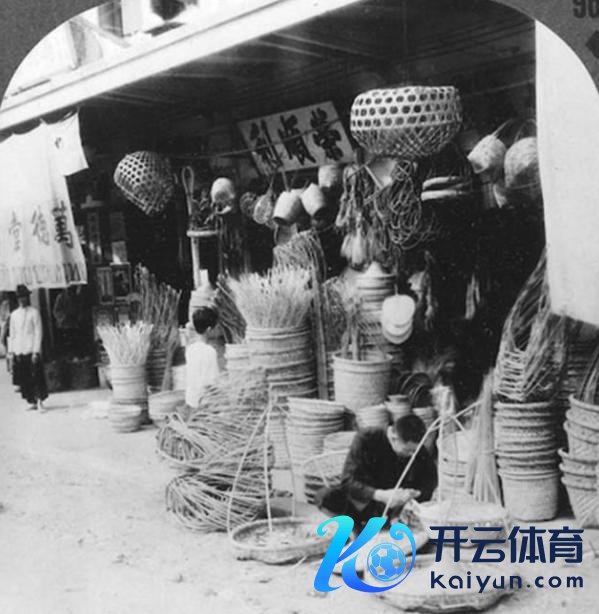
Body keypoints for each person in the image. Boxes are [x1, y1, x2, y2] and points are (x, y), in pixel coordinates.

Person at [316, 414, 437, 531]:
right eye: (408, 450)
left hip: (393, 508)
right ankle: (353, 529)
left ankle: (390, 523)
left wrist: (413, 494)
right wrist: (380, 495)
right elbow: (348, 481)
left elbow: (430, 481)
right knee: (325, 496)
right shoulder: (367, 438)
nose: (413, 455)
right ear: (394, 437)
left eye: (415, 450)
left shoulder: (416, 448)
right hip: (363, 503)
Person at [7, 285, 48, 411]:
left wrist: (36, 351)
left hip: (31, 348)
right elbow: (12, 334)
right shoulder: (14, 315)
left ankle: (40, 400)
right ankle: (32, 401)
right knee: (24, 378)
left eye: (24, 297)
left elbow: (38, 332)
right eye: (20, 297)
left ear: (27, 298)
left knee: (36, 376)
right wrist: (11, 352)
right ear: (17, 299)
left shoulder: (34, 312)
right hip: (19, 349)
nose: (22, 300)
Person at [185, 306, 219, 411]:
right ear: (209, 330)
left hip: (191, 400)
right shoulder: (210, 351)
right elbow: (212, 382)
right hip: (204, 403)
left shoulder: (190, 349)